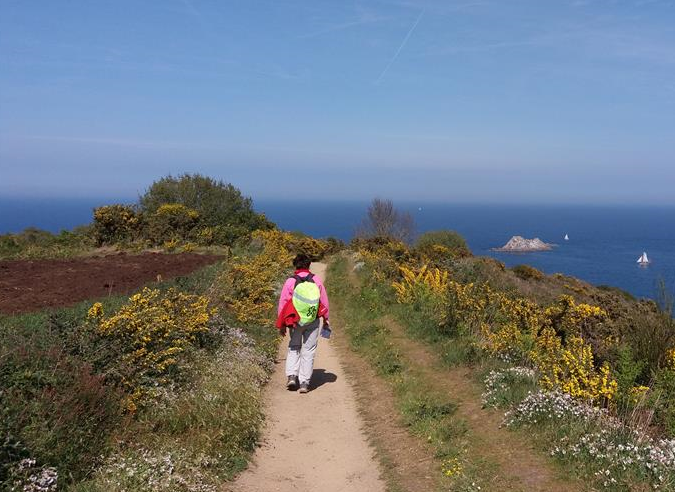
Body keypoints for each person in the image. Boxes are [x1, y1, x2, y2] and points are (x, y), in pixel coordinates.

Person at [276, 253, 330, 393]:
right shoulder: (316, 280)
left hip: (295, 321)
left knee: (294, 346)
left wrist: (282, 324)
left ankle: (292, 376)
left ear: (296, 265)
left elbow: (283, 303)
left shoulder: (290, 281)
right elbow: (323, 302)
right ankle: (305, 383)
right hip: (312, 320)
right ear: (309, 265)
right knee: (309, 350)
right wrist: (326, 320)